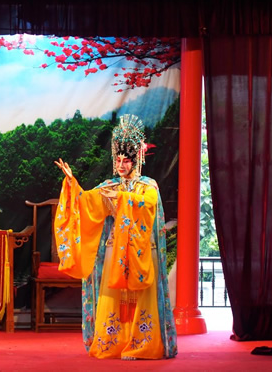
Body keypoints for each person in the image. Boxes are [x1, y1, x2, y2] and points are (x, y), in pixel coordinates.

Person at [54, 114, 177, 360]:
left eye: (126, 160)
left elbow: (148, 205)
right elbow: (87, 203)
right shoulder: (109, 184)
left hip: (141, 250)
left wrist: (121, 198)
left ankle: (141, 342)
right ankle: (115, 341)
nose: (121, 165)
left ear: (136, 160)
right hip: (115, 249)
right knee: (113, 296)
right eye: (118, 160)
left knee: (141, 296)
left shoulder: (147, 185)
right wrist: (71, 183)